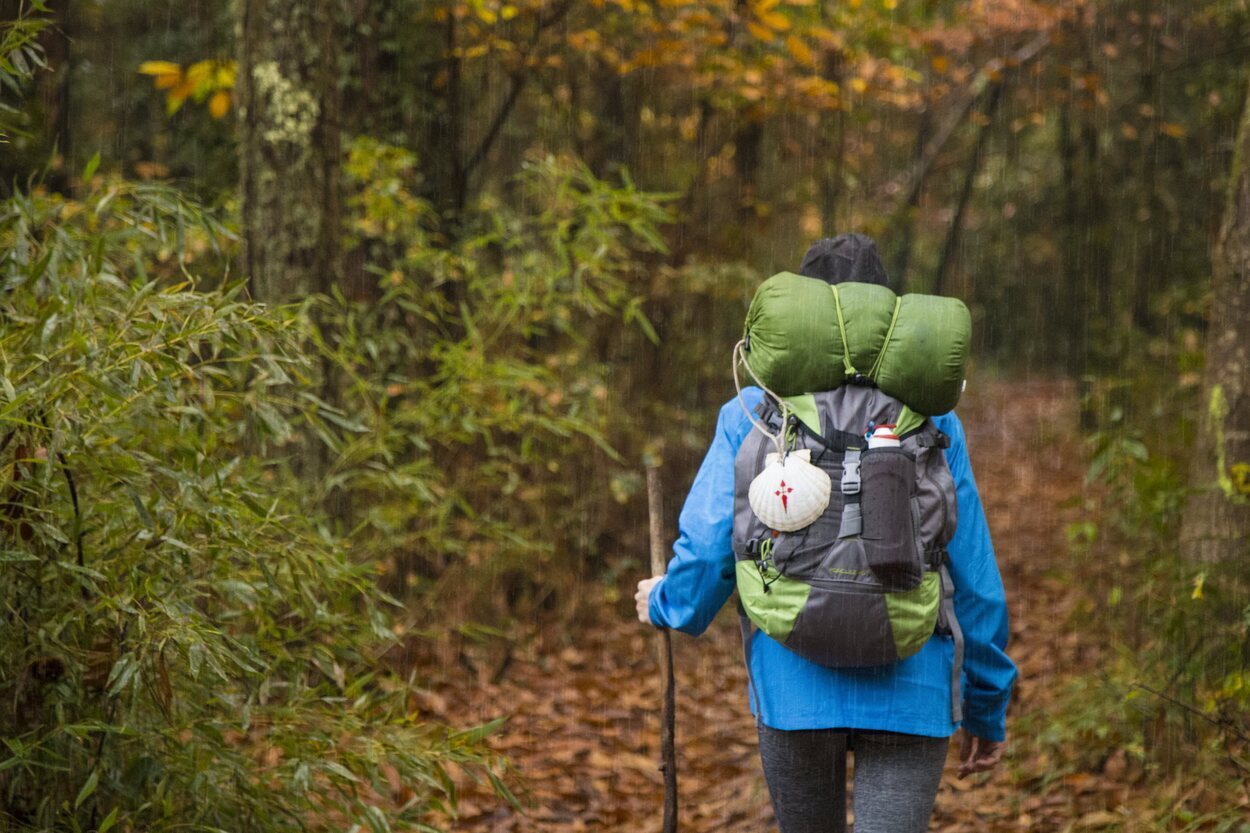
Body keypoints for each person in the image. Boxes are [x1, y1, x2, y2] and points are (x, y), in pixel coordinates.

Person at [634, 233, 1017, 833]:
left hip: (794, 684)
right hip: (912, 685)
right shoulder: (934, 421)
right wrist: (986, 709)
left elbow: (710, 551)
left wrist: (666, 603)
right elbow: (976, 581)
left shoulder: (751, 411)